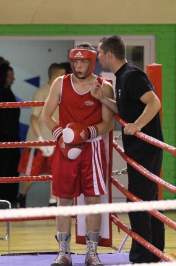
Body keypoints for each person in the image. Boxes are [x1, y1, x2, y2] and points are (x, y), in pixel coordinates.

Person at [91, 35, 165, 263]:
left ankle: (144, 255)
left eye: (100, 53)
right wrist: (102, 99)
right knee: (146, 201)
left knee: (138, 202)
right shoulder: (121, 77)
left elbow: (154, 102)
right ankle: (154, 252)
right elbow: (126, 110)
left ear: (109, 55)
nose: (98, 57)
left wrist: (138, 125)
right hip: (138, 149)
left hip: (146, 149)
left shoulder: (132, 76)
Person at [41, 43, 115, 266]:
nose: (79, 66)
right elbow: (46, 116)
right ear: (71, 61)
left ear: (92, 62)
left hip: (91, 148)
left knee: (93, 200)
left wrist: (86, 133)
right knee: (63, 199)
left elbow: (108, 124)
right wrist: (62, 135)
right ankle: (63, 252)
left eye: (84, 61)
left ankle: (92, 252)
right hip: (66, 150)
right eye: (76, 61)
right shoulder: (60, 84)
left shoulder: (104, 86)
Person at [17, 63, 66, 208]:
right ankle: (22, 196)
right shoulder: (42, 92)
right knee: (32, 174)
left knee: (55, 172)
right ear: (55, 76)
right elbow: (33, 117)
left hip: (54, 139)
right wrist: (40, 138)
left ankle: (52, 203)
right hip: (38, 141)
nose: (65, 78)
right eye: (62, 75)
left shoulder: (62, 93)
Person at [0, 63, 21, 207]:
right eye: (10, 76)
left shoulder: (9, 93)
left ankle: (11, 198)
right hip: (3, 140)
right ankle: (3, 198)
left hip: (12, 138)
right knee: (4, 169)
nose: (13, 79)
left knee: (12, 170)